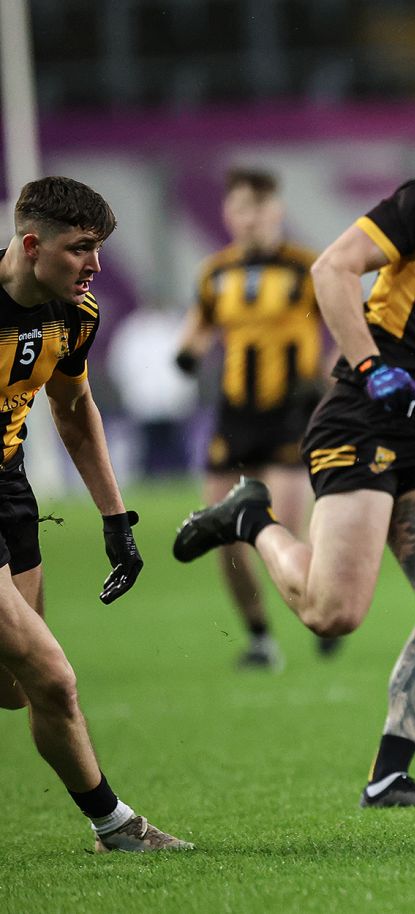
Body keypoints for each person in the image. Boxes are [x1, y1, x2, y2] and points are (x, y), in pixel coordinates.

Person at [173, 80, 415, 807]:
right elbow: (333, 268)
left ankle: (389, 774)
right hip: (364, 414)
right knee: (334, 614)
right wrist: (368, 363)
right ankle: (250, 517)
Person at [0, 176, 191, 852]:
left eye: (99, 249)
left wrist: (116, 519)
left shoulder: (73, 316)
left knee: (14, 690)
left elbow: (74, 407)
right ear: (31, 245)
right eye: (81, 248)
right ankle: (117, 827)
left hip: (9, 493)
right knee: (54, 677)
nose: (97, 266)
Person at [174, 168, 334, 670]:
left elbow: (346, 326)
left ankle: (326, 603)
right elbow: (199, 327)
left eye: (260, 208)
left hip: (291, 413)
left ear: (278, 210)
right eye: (242, 208)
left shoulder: (309, 268)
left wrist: (333, 376)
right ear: (228, 214)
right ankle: (260, 636)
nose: (251, 219)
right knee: (223, 533)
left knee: (283, 524)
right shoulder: (215, 273)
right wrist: (188, 351)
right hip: (234, 416)